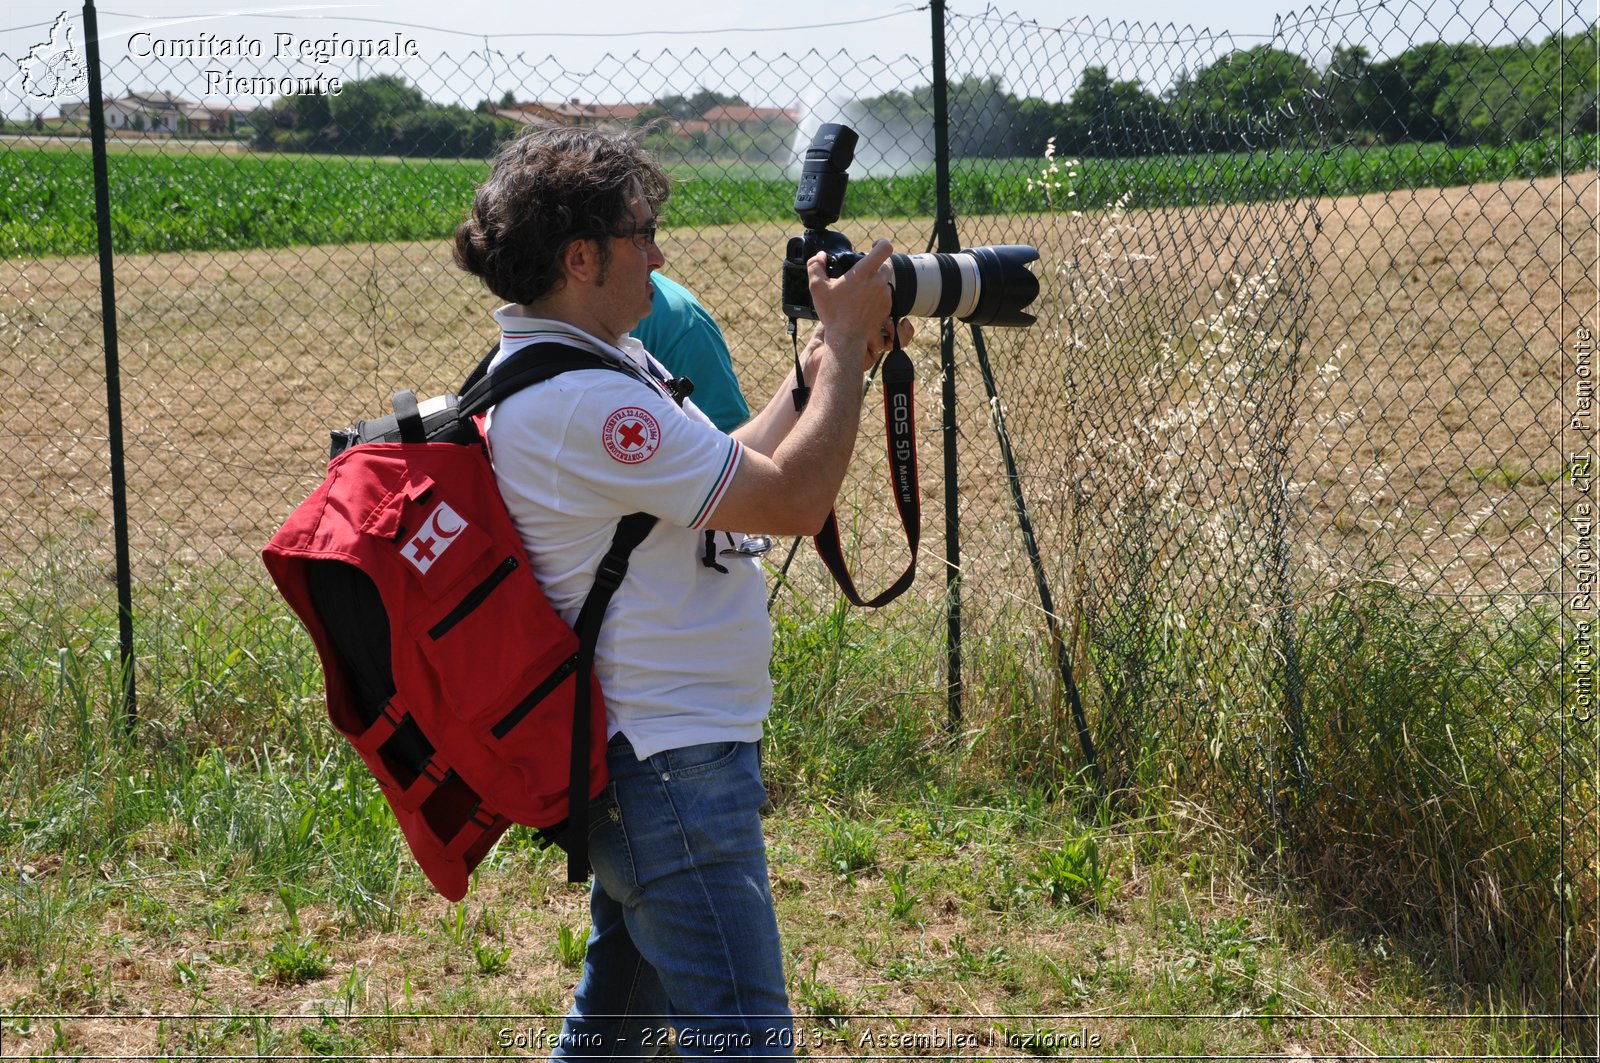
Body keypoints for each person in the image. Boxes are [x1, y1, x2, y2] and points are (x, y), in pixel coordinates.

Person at [452, 127, 911, 1059]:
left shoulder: (586, 365)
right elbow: (793, 498)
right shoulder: (590, 400)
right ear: (581, 258)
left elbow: (730, 465)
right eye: (641, 233)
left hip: (655, 760)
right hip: (669, 770)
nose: (659, 253)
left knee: (613, 1035)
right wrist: (835, 337)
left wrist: (824, 372)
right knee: (744, 1040)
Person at [632, 272, 750, 433]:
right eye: (639, 245)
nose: (658, 259)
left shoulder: (676, 320)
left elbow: (726, 434)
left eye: (650, 244)